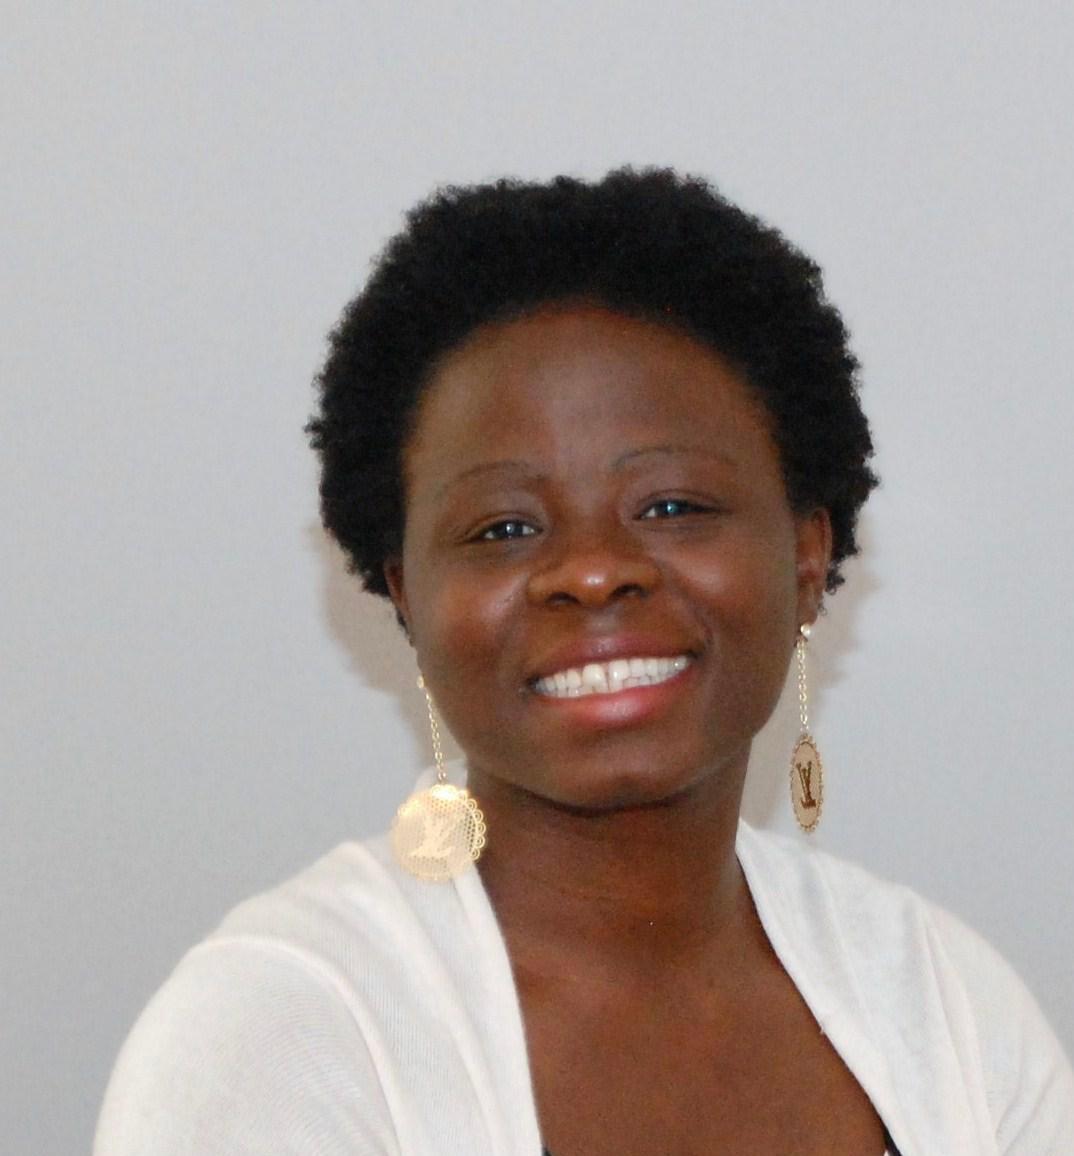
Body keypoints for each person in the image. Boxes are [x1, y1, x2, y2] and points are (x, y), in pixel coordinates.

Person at [95, 168, 1074, 1155]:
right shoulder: (282, 1038)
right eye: (503, 527)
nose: (594, 571)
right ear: (407, 597)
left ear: (807, 557)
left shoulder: (948, 1005)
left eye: (672, 505)